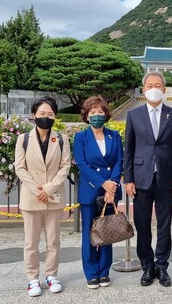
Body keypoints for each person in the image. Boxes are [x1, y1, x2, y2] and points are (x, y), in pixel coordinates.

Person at [124, 71, 172, 287]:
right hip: (140, 179)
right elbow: (128, 149)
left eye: (158, 85)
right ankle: (147, 266)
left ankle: (162, 266)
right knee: (142, 225)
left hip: (166, 179)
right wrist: (128, 179)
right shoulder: (134, 115)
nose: (154, 88)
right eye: (150, 85)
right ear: (143, 89)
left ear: (164, 89)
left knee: (164, 225)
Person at [14, 96, 71, 297]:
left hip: (54, 196)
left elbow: (65, 167)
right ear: (34, 115)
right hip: (32, 197)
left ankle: (51, 275)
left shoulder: (62, 138)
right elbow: (20, 168)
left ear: (55, 116)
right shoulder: (24, 139)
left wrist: (49, 188)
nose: (45, 117)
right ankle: (32, 278)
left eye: (50, 114)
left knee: (53, 240)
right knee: (31, 242)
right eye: (42, 114)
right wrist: (37, 189)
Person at [73, 96, 123, 289]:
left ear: (106, 115)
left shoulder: (114, 135)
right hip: (90, 192)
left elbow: (119, 161)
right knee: (89, 233)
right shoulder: (80, 137)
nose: (96, 116)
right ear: (86, 116)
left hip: (111, 193)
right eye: (92, 113)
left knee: (107, 231)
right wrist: (104, 184)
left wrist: (113, 187)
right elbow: (82, 164)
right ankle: (92, 273)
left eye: (100, 112)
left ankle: (104, 272)